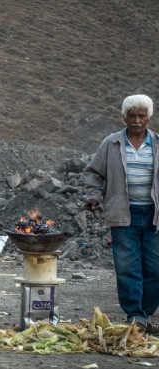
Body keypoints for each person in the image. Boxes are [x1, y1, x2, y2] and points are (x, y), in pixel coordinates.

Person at [83, 94, 159, 334]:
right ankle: (135, 314)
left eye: (141, 116)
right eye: (132, 115)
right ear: (124, 117)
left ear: (149, 118)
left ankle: (144, 313)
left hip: (154, 216)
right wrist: (94, 195)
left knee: (155, 267)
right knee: (127, 267)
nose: (136, 120)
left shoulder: (158, 144)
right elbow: (94, 173)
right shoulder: (111, 144)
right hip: (123, 213)